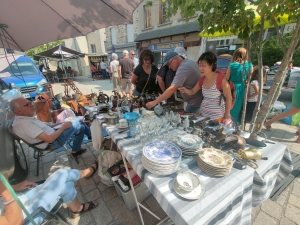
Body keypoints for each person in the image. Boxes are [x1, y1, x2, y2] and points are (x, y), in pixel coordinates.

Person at [0, 167, 99, 224]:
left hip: (17, 202)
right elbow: (15, 221)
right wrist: (5, 190)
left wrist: (13, 187)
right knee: (61, 174)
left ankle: (78, 209)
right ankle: (87, 172)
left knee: (64, 184)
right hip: (23, 218)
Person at [10, 97, 91, 156]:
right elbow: (49, 139)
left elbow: (45, 126)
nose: (32, 105)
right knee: (77, 120)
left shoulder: (24, 119)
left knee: (81, 127)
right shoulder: (24, 124)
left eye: (30, 102)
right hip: (54, 142)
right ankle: (91, 135)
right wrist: (63, 127)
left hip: (54, 134)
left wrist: (58, 124)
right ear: (18, 110)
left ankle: (76, 151)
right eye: (28, 104)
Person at [178, 51, 232, 122]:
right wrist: (185, 90)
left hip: (217, 117)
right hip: (203, 116)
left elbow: (229, 98)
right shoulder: (202, 80)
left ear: (212, 65)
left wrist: (227, 115)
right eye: (199, 65)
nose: (200, 68)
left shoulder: (221, 80)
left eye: (203, 66)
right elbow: (192, 91)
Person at [264, 78, 300, 143]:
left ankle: (268, 122)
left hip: (297, 94)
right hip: (298, 96)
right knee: (290, 112)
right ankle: (299, 138)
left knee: (289, 113)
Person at [225, 47, 253, 124]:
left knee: (232, 105)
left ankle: (230, 122)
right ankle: (238, 123)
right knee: (241, 106)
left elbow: (226, 78)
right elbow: (249, 79)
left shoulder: (232, 65)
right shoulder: (250, 65)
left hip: (233, 87)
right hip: (244, 88)